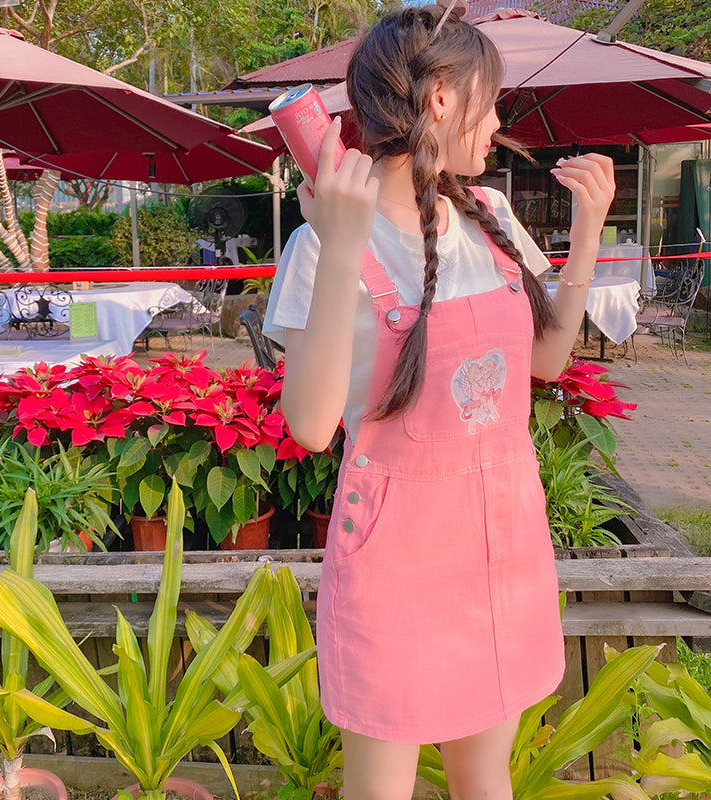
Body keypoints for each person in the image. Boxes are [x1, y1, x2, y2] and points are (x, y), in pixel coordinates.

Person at [263, 4, 615, 799]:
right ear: (442, 99)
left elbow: (546, 359)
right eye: (492, 101)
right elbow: (311, 427)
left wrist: (588, 232)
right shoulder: (319, 244)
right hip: (396, 567)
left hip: (503, 549)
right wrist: (342, 243)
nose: (499, 123)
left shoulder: (490, 217)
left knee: (485, 780)